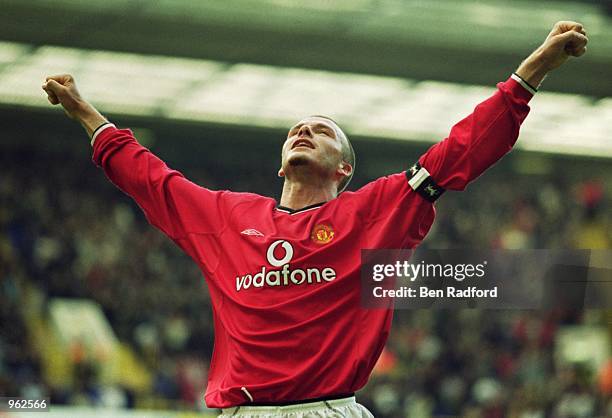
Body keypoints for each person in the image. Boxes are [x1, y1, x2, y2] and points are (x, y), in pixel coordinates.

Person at [42, 21, 587, 418]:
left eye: (321, 131)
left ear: (345, 168)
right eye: (295, 130)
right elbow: (149, 178)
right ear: (279, 159)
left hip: (329, 409)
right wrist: (85, 114)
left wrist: (534, 69)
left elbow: (462, 150)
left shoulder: (376, 211)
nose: (303, 132)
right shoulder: (227, 216)